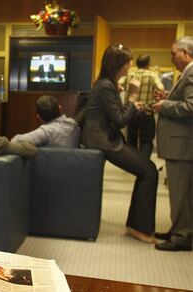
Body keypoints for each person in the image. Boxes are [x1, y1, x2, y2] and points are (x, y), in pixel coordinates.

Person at [82, 43, 159, 244]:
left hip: (106, 139)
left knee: (148, 170)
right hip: (103, 141)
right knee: (149, 171)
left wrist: (131, 105)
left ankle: (136, 225)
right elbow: (120, 120)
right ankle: (138, 227)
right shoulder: (106, 86)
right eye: (127, 62)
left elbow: (117, 115)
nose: (130, 66)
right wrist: (133, 97)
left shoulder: (107, 84)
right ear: (117, 64)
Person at [152, 36, 193, 252]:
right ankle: (180, 229)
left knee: (181, 193)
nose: (171, 58)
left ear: (186, 53)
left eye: (174, 53)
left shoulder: (192, 72)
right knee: (184, 193)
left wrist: (165, 105)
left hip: (182, 145)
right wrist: (168, 96)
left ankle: (182, 237)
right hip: (182, 145)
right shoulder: (186, 73)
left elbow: (190, 106)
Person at [119, 54, 164, 158]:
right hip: (146, 111)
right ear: (148, 64)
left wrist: (127, 89)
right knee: (146, 140)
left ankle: (133, 163)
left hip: (131, 111)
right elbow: (161, 88)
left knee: (131, 139)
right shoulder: (152, 75)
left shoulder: (130, 74)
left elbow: (119, 85)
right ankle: (144, 164)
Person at [11, 95, 80, 148]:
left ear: (39, 117)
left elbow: (15, 141)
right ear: (60, 108)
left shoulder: (46, 131)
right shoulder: (73, 123)